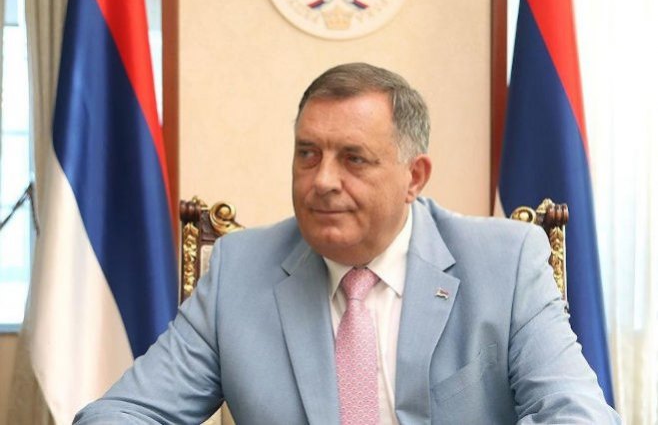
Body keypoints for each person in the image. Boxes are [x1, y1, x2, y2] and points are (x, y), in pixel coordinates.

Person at [75, 63, 619, 424]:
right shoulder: (241, 270)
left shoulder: (506, 262)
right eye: (307, 154)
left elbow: (576, 412)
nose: (323, 181)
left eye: (353, 159)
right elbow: (122, 413)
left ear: (414, 176)